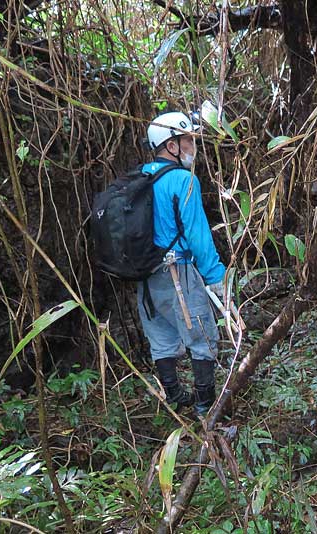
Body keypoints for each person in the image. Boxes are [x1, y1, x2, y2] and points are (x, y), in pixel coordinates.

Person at [140, 110, 225, 415]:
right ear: (172, 145)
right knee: (201, 337)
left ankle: (176, 398)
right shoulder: (182, 180)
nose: (193, 145)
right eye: (188, 139)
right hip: (181, 274)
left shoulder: (141, 177)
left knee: (162, 338)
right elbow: (198, 236)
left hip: (147, 277)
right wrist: (217, 278)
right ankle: (205, 409)